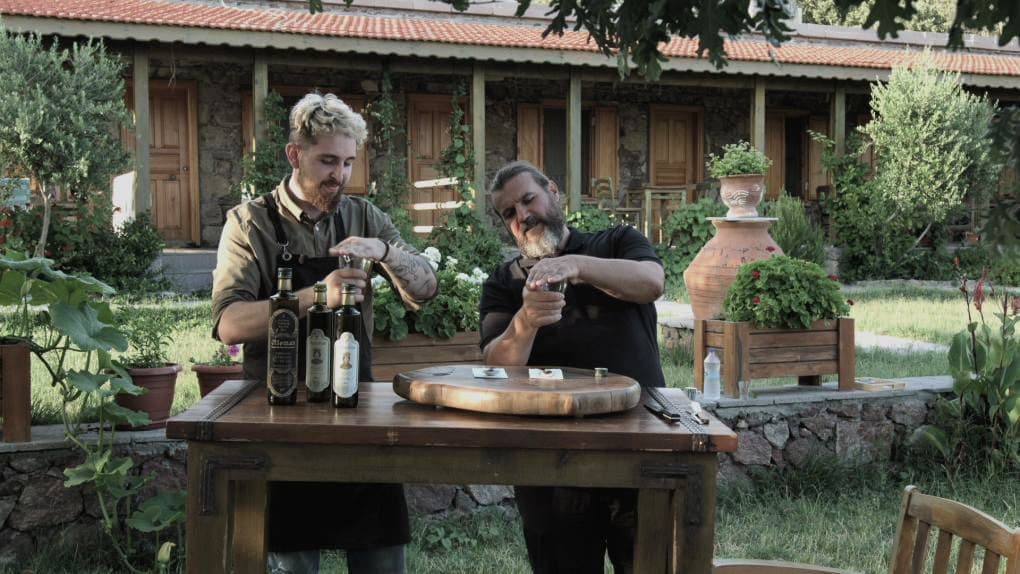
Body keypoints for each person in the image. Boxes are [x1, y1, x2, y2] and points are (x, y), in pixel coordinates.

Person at [212, 92, 437, 573]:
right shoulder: (250, 223)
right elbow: (229, 323)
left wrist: (386, 252)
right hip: (279, 413)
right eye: (328, 161)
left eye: (349, 162)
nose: (339, 175)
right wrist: (316, 295)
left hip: (360, 413)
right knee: (293, 563)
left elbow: (425, 290)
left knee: (382, 556)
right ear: (295, 154)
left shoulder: (364, 216)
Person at [479, 160, 665, 574]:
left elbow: (652, 281)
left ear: (554, 191)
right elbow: (496, 364)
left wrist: (576, 265)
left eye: (528, 200)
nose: (523, 217)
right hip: (551, 458)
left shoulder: (615, 240)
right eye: (509, 213)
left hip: (637, 441)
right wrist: (525, 321)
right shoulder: (503, 282)